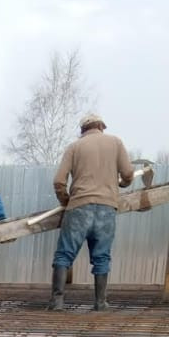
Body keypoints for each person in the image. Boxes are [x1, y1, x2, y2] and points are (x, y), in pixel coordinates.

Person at [48, 112, 135, 312]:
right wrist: (123, 183)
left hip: (79, 207)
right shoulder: (115, 143)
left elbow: (59, 181)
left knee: (64, 255)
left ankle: (57, 302)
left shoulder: (74, 147)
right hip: (106, 208)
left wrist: (66, 200)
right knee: (102, 256)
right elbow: (128, 173)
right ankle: (100, 303)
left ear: (82, 130)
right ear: (101, 126)